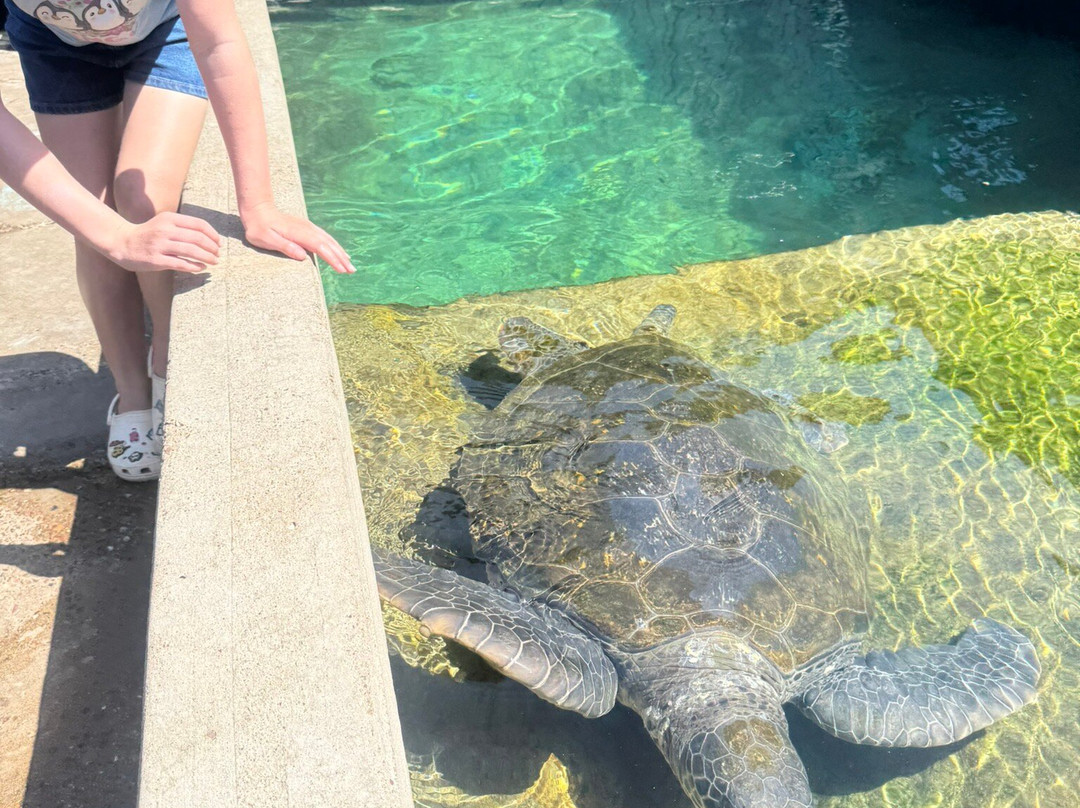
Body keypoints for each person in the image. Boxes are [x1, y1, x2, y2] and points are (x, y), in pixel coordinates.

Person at [0, 0, 355, 482]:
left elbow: (221, 44)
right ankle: (132, 391)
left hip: (168, 30)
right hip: (52, 45)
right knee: (92, 219)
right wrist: (112, 235)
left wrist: (258, 205)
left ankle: (167, 359)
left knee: (143, 199)